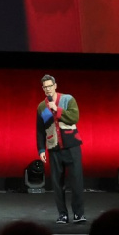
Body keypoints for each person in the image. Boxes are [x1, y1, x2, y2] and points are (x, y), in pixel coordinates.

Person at [35, 73, 84, 224]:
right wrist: (41, 149)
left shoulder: (68, 99)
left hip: (72, 146)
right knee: (57, 184)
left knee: (76, 182)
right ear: (43, 89)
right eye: (45, 87)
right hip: (54, 148)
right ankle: (62, 214)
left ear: (55, 86)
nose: (48, 89)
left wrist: (57, 109)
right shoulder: (42, 107)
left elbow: (74, 118)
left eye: (50, 86)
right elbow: (40, 130)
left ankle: (78, 214)